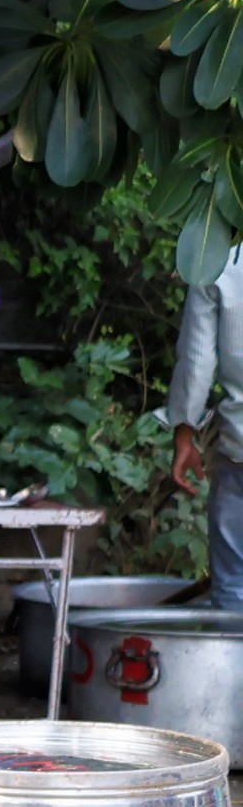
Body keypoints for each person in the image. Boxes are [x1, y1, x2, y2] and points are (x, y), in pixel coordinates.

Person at [167, 241, 243, 606]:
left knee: (234, 588)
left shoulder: (216, 259)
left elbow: (197, 361)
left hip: (239, 451)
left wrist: (185, 431)